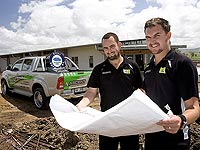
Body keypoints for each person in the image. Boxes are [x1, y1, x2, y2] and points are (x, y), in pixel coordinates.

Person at [76, 32, 142, 150]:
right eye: (105, 48)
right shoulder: (99, 69)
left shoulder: (132, 66)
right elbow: (91, 92)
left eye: (112, 46)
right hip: (107, 122)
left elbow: (141, 90)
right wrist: (80, 105)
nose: (109, 50)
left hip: (129, 122)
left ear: (119, 45)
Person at [143, 17, 200, 150]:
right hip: (151, 136)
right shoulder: (149, 67)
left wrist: (181, 120)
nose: (152, 41)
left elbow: (195, 108)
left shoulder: (182, 64)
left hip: (176, 139)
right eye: (148, 37)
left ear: (168, 35)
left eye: (157, 35)